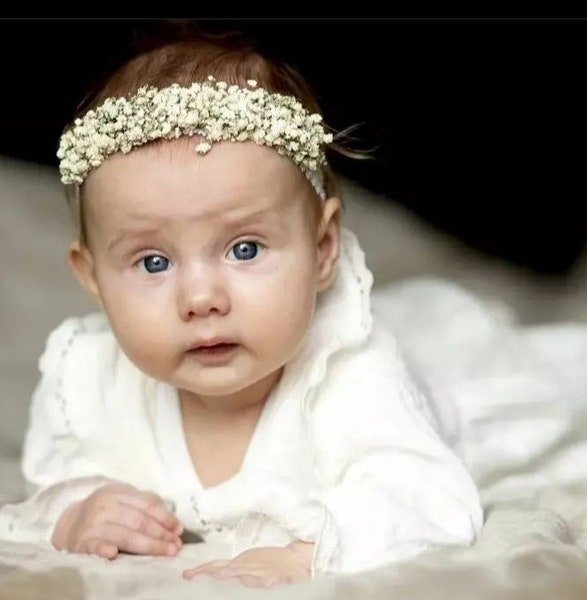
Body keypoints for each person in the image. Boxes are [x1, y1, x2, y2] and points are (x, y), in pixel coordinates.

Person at [0, 23, 483, 587]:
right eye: (153, 262)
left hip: (461, 382)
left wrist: (304, 555)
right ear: (93, 276)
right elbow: (57, 477)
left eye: (244, 249)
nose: (201, 299)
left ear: (323, 248)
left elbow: (424, 495)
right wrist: (79, 510)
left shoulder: (347, 372)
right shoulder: (87, 376)